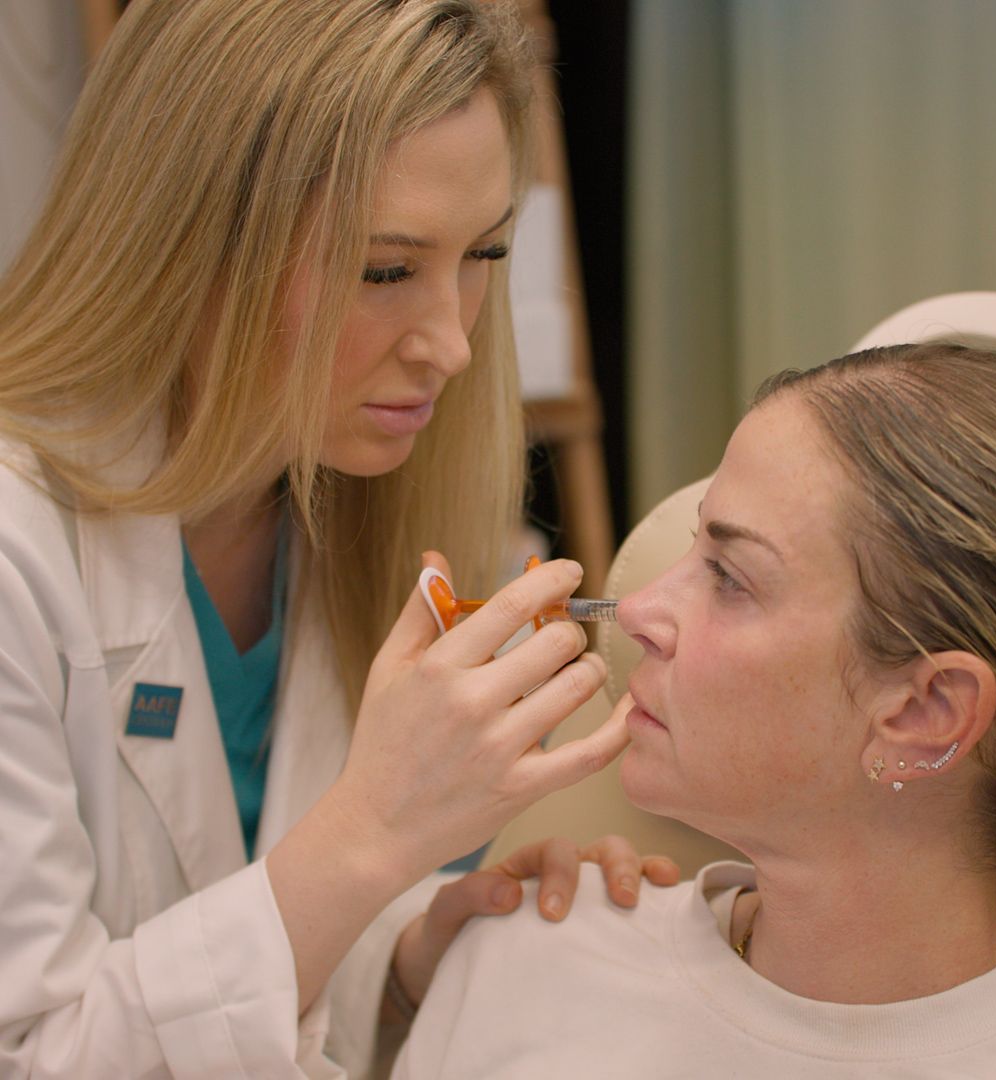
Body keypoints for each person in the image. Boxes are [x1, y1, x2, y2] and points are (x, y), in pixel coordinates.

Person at [0, 2, 680, 1076]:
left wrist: (409, 965)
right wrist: (372, 835)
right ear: (182, 243)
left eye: (484, 253)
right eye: (383, 271)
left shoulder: (368, 524)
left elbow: (253, 954)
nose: (453, 343)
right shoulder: (17, 559)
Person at [391, 342, 996, 1078]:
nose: (639, 610)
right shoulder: (530, 952)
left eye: (729, 577)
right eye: (692, 549)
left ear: (926, 712)